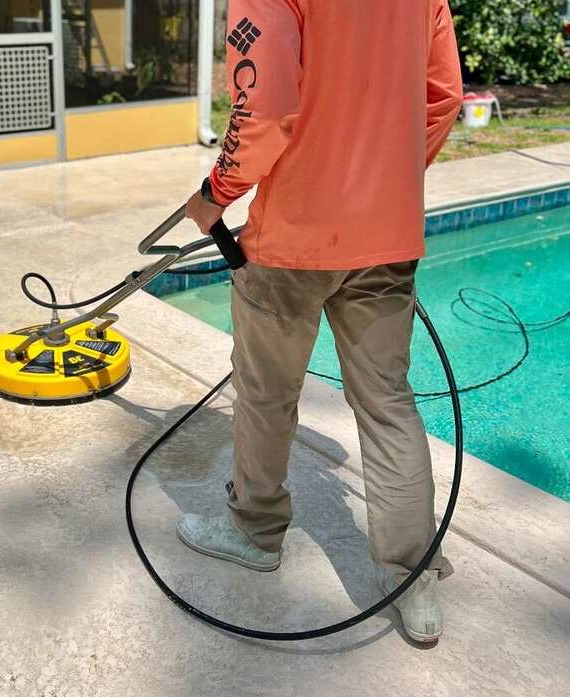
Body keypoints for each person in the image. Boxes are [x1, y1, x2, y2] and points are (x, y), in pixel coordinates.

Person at [181, 0, 463, 643]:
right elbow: (443, 98)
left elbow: (265, 110)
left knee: (265, 394)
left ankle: (253, 532)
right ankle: (410, 578)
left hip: (292, 244)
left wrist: (215, 195)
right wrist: (382, 181)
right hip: (386, 236)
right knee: (388, 403)